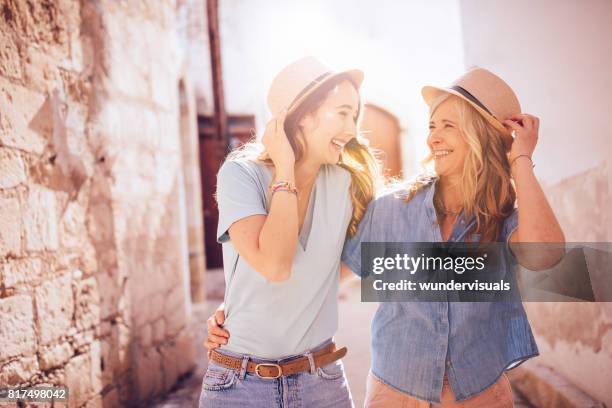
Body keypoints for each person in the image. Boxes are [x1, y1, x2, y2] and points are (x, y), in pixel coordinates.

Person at [341, 67, 565, 407]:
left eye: (449, 126)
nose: (433, 138)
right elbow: (325, 278)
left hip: (482, 395)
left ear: (480, 136)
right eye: (432, 125)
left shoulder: (502, 219)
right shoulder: (389, 209)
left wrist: (520, 158)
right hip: (396, 393)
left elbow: (546, 254)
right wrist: (235, 313)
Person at [198, 56, 379, 408]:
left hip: (321, 383)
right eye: (342, 113)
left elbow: (337, 268)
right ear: (301, 115)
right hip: (240, 386)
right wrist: (285, 168)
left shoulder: (345, 184)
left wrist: (243, 303)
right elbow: (276, 266)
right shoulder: (241, 175)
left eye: (354, 116)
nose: (352, 129)